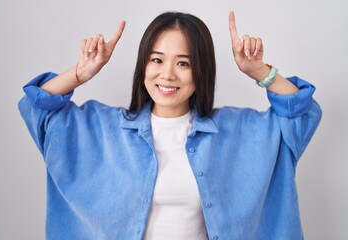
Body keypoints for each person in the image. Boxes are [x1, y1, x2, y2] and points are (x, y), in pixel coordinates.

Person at [18, 11, 321, 240]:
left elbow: (299, 115)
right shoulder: (101, 130)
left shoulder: (239, 133)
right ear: (143, 66)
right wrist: (80, 74)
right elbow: (38, 108)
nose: (167, 75)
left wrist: (260, 71)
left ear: (200, 70)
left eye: (183, 63)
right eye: (157, 60)